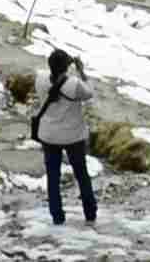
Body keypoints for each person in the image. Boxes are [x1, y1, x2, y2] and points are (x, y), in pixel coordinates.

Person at [33, 48, 98, 226]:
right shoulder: (74, 84)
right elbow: (90, 93)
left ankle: (57, 216)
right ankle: (90, 213)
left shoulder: (40, 79)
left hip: (49, 135)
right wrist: (82, 71)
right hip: (73, 136)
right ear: (66, 67)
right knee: (81, 174)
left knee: (53, 176)